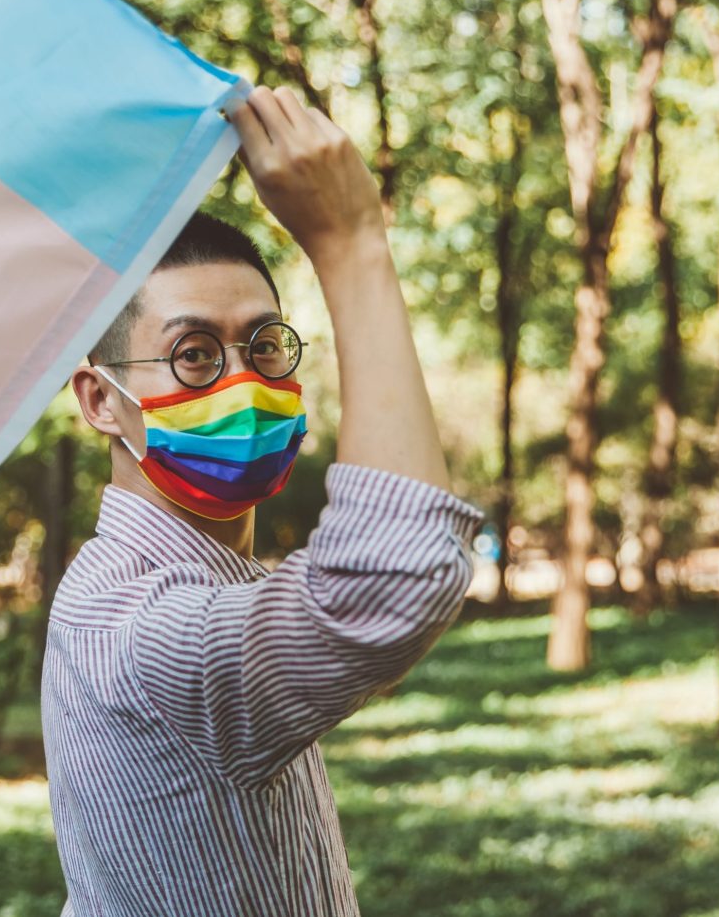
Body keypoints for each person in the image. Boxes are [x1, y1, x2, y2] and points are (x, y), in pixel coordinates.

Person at [40, 85, 486, 916]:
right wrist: (352, 245)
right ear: (101, 401)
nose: (245, 383)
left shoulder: (209, 581)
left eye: (264, 345)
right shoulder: (132, 626)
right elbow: (393, 579)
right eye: (194, 356)